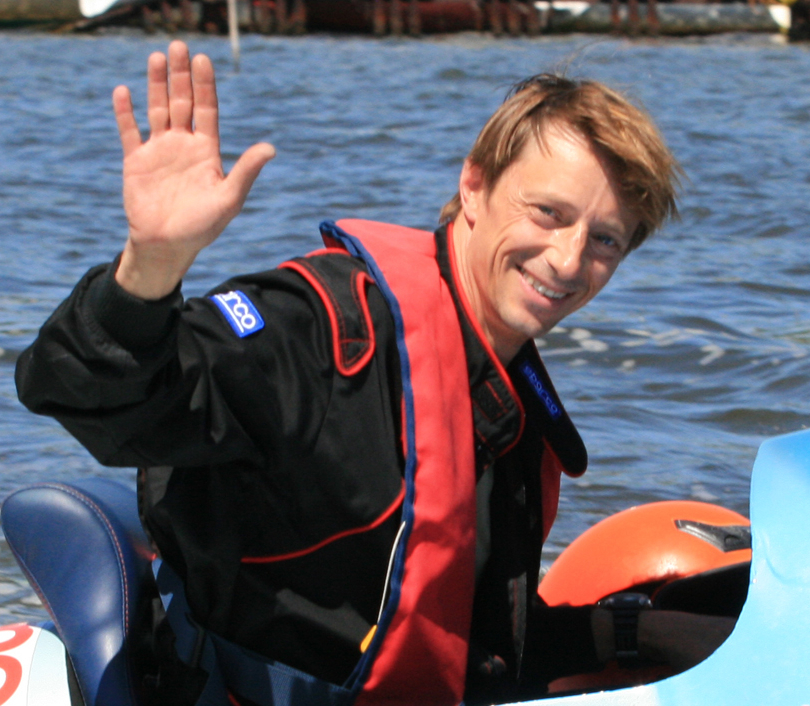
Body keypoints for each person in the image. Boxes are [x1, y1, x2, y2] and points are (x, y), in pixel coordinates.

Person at [15, 40, 734, 706]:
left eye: (605, 241)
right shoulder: (322, 332)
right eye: (548, 212)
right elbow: (84, 395)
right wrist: (151, 266)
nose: (569, 260)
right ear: (475, 186)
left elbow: (476, 651)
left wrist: (629, 633)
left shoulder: (506, 405)